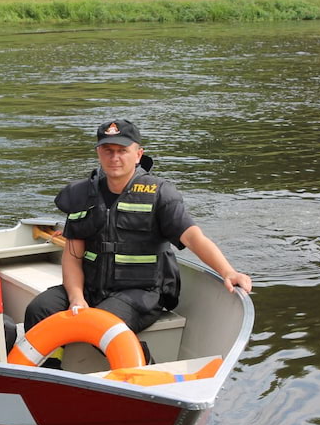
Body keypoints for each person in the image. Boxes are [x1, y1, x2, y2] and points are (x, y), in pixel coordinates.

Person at [24, 119, 252, 362]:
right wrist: (76, 297)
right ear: (98, 153)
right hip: (91, 288)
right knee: (40, 310)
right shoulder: (82, 195)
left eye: (122, 151)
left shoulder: (160, 194)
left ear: (138, 154)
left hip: (142, 292)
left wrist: (228, 272)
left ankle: (146, 370)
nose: (115, 158)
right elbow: (72, 255)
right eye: (108, 151)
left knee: (101, 324)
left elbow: (194, 237)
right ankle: (51, 369)